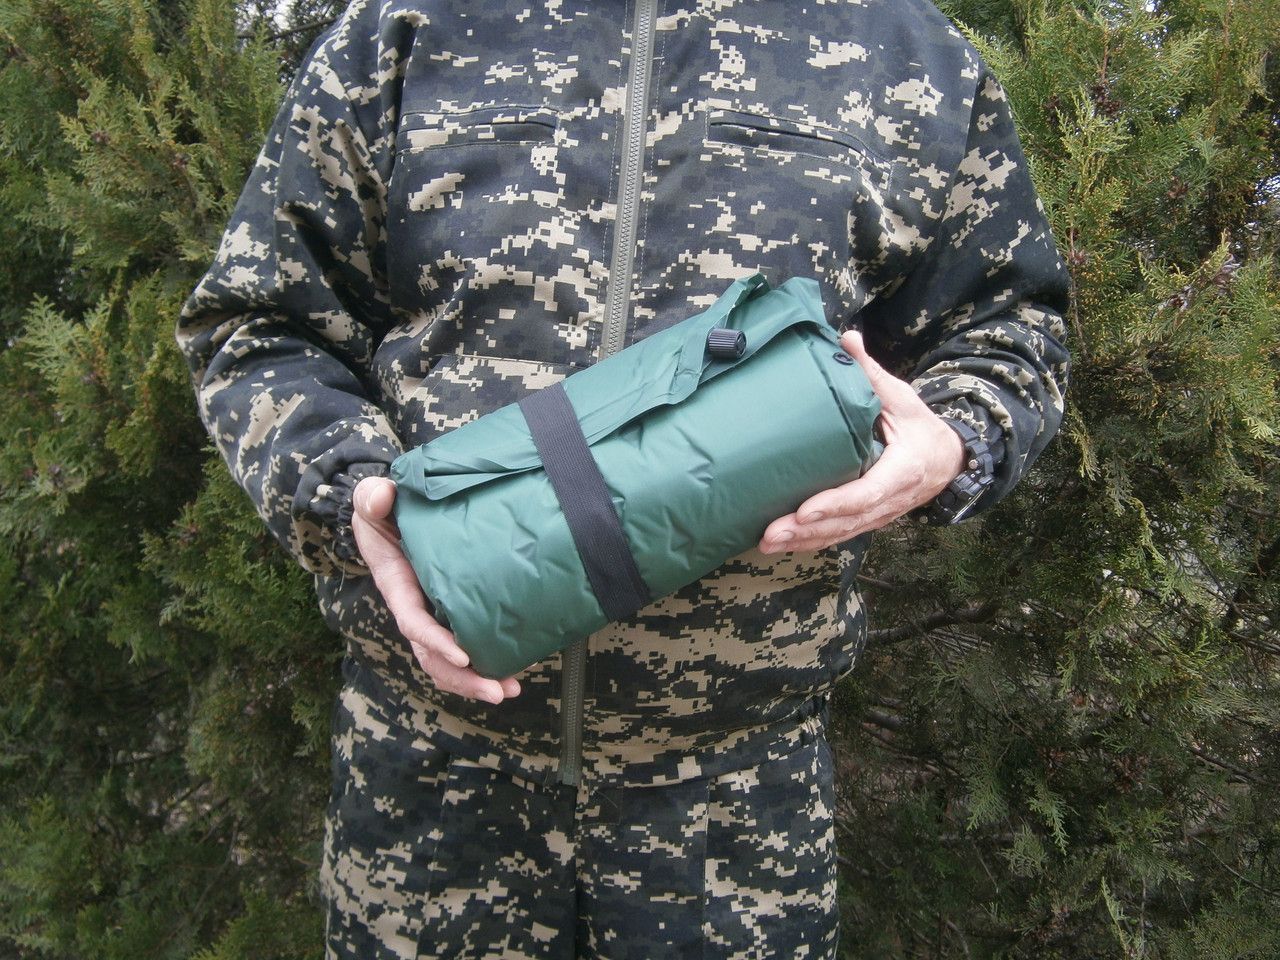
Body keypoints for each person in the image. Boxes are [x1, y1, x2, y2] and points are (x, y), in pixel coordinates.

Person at [176, 0, 1070, 956]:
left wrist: (952, 444)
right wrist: (349, 497)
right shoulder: (408, 26)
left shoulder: (905, 48)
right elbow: (260, 323)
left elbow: (1011, 327)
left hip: (734, 803)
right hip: (430, 783)